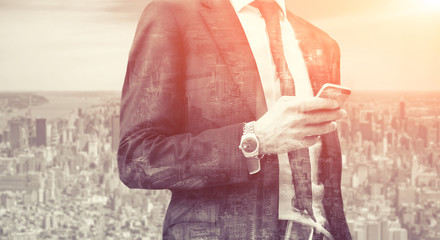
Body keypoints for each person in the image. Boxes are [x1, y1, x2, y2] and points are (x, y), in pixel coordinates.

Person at [118, 0, 352, 239]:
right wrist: (254, 139)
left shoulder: (322, 43)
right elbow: (136, 159)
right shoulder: (172, 15)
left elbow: (328, 185)